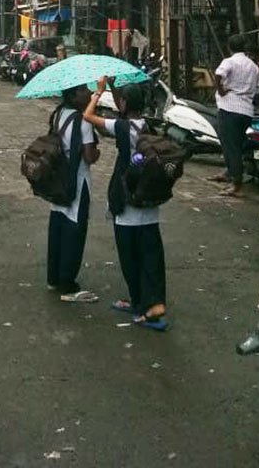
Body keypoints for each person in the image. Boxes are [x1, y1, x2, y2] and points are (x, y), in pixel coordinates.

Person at [83, 80, 168, 330]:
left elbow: (88, 116)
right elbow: (124, 107)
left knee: (131, 258)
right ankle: (145, 302)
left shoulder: (120, 126)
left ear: (124, 103)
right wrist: (114, 87)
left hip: (128, 203)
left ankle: (148, 310)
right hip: (149, 200)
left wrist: (99, 92)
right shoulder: (148, 125)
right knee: (151, 256)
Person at [47, 83, 99, 302]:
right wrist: (98, 152)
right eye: (84, 90)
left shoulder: (58, 114)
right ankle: (68, 283)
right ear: (73, 95)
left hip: (57, 181)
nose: (88, 93)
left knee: (57, 227)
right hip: (76, 183)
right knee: (75, 232)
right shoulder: (83, 121)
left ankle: (53, 277)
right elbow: (89, 156)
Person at [212, 33, 259, 197]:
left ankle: (236, 182)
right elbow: (258, 86)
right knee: (238, 145)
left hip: (229, 108)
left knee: (230, 147)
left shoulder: (229, 61)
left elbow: (218, 75)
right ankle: (231, 173)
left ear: (229, 47)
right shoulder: (253, 66)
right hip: (246, 110)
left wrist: (220, 90)